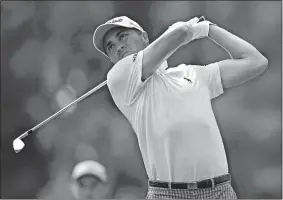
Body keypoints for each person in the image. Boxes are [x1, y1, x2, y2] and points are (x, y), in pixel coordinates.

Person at [92, 15, 268, 199]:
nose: (118, 47)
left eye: (122, 36)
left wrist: (210, 29)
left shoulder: (192, 73)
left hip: (220, 192)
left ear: (144, 37)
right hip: (167, 194)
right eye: (110, 46)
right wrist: (190, 30)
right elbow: (181, 32)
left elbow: (256, 62)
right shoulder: (118, 79)